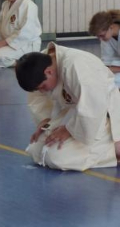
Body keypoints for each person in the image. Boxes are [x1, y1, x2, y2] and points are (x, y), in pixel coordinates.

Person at [15, 43, 120, 171]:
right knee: (36, 149)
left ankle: (113, 147)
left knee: (57, 157)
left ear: (49, 71)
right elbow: (37, 97)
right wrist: (45, 120)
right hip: (72, 112)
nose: (42, 91)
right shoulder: (38, 64)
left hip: (102, 113)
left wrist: (69, 130)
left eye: (42, 87)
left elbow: (93, 107)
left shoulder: (77, 66)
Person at [88, 10, 120, 85]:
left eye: (102, 35)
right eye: (98, 36)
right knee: (102, 79)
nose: (100, 39)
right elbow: (106, 60)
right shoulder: (106, 38)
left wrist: (109, 69)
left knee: (112, 81)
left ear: (111, 27)